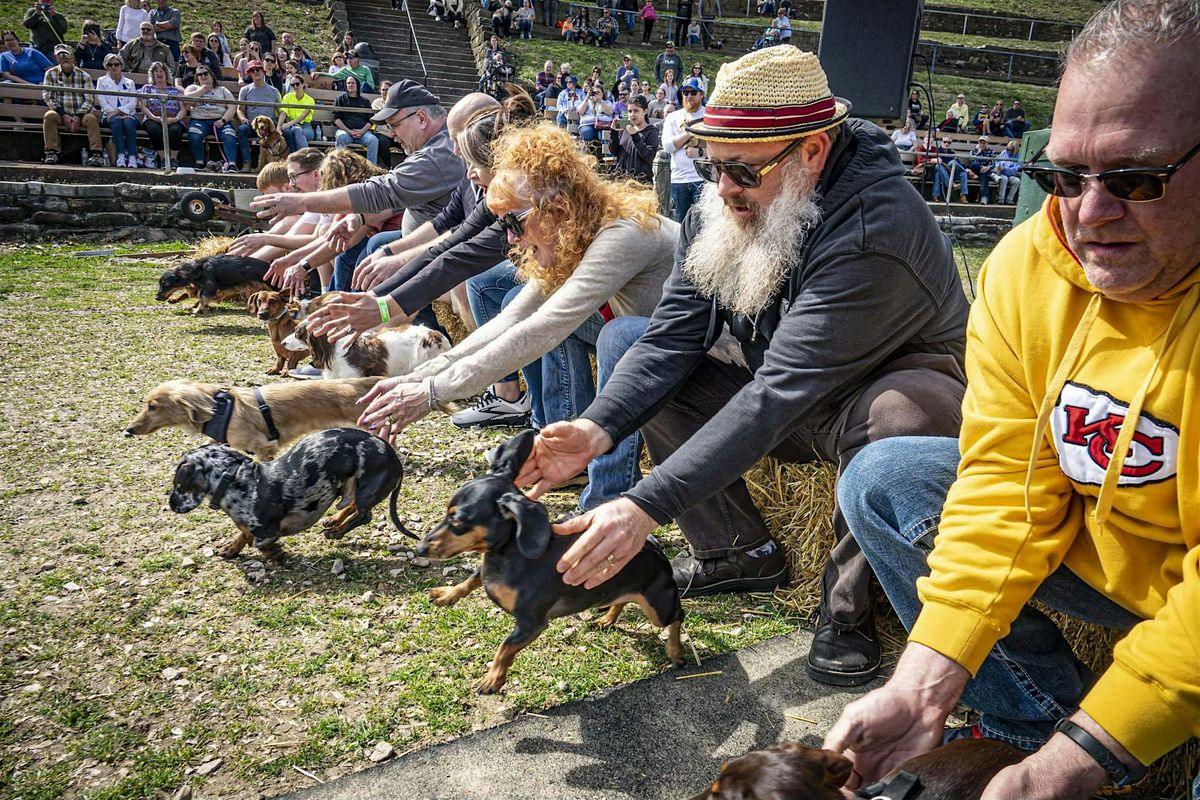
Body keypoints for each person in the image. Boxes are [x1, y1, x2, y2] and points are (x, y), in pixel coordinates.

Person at [826, 4, 1200, 798]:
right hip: (1110, 560)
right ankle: (1027, 721)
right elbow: (1005, 482)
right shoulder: (1025, 268)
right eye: (1063, 176)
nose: (1089, 214)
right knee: (886, 478)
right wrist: (923, 683)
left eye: (1137, 178)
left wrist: (1077, 767)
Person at [510, 45, 968, 688]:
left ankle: (845, 610)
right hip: (791, 393)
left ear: (812, 150)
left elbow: (781, 390)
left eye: (743, 171)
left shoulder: (875, 227)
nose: (723, 189)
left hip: (865, 402)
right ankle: (739, 551)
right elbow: (672, 337)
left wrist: (643, 505)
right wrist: (597, 427)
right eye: (711, 165)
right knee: (635, 353)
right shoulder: (724, 204)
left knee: (901, 416)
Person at [356, 123, 680, 484]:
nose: (510, 237)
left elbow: (541, 329)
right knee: (546, 316)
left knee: (613, 335)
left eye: (515, 221)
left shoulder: (622, 234)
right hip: (653, 339)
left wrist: (432, 394)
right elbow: (513, 319)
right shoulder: (576, 234)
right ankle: (562, 442)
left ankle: (609, 493)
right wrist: (418, 378)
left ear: (558, 206)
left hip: (703, 353)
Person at [252, 80, 465, 236]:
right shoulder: (436, 146)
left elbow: (382, 192)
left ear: (420, 119)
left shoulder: (439, 154)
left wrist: (303, 202)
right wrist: (361, 217)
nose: (391, 134)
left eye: (394, 125)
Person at [41, 45, 103, 165]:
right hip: (60, 113)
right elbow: (48, 96)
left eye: (66, 54)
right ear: (56, 58)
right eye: (60, 55)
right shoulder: (50, 74)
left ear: (73, 57)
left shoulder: (84, 75)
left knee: (91, 119)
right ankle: (51, 152)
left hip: (81, 113)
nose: (64, 57)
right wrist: (63, 114)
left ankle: (96, 154)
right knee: (49, 116)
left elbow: (89, 99)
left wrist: (78, 116)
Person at [661, 75, 705, 221]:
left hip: (703, 178)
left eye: (693, 92)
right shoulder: (673, 117)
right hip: (680, 179)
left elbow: (719, 147)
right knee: (681, 223)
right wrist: (689, 132)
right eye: (685, 93)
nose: (689, 96)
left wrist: (699, 152)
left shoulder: (709, 115)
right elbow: (667, 146)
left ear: (702, 94)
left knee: (702, 224)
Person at [183, 65, 237, 170]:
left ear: (211, 75)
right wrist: (203, 90)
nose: (203, 76)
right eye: (200, 74)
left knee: (229, 135)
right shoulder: (192, 88)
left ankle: (232, 164)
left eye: (205, 73)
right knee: (194, 134)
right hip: (199, 120)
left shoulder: (222, 89)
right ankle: (199, 162)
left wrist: (223, 120)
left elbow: (232, 107)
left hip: (220, 120)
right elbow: (186, 100)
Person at [235, 59, 281, 171]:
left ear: (263, 71)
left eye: (258, 69)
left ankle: (277, 166)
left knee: (286, 133)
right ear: (249, 74)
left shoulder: (274, 91)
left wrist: (281, 125)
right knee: (242, 130)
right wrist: (243, 118)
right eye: (252, 70)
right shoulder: (245, 90)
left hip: (270, 125)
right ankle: (247, 163)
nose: (255, 72)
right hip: (253, 124)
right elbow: (240, 110)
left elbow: (280, 111)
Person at [138, 59, 184, 167]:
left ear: (166, 74)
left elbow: (182, 109)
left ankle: (173, 158)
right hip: (153, 118)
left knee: (175, 130)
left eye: (161, 71)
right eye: (156, 71)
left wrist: (176, 119)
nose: (159, 73)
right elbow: (143, 106)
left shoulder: (175, 91)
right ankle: (163, 158)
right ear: (152, 75)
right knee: (154, 129)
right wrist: (154, 117)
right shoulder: (147, 88)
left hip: (172, 118)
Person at [96, 53, 139, 167]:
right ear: (106, 66)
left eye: (116, 64)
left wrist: (118, 112)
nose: (113, 67)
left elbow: (133, 102)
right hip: (109, 115)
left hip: (128, 114)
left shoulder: (130, 82)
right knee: (116, 121)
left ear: (121, 65)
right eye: (110, 65)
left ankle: (132, 156)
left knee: (129, 123)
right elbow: (102, 100)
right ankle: (120, 155)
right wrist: (114, 113)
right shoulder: (101, 81)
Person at [609, 94, 658, 181]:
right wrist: (613, 132)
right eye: (630, 111)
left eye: (636, 111)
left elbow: (649, 156)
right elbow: (614, 151)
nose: (632, 114)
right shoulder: (625, 128)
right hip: (621, 180)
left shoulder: (651, 131)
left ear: (645, 111)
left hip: (641, 182)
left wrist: (636, 136)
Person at [333, 74, 380, 164]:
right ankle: (340, 166)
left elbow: (370, 120)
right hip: (346, 132)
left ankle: (371, 168)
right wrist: (349, 131)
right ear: (346, 85)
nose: (350, 85)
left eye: (353, 83)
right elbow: (336, 118)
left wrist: (361, 131)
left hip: (363, 133)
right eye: (348, 83)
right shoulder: (340, 100)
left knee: (373, 140)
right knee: (340, 137)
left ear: (357, 85)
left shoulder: (365, 101)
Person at [277, 73, 315, 152]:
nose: (295, 87)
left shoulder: (310, 100)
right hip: (291, 126)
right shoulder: (287, 97)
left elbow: (303, 116)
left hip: (306, 126)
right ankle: (305, 158)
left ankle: (302, 156)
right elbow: (283, 113)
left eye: (297, 84)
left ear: (303, 84)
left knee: (296, 131)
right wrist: (278, 126)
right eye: (292, 85)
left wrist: (288, 124)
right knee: (292, 132)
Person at [929, 134, 967, 202]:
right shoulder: (936, 151)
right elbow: (930, 160)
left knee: (963, 173)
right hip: (940, 172)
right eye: (944, 142)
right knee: (938, 169)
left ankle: (963, 196)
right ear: (941, 141)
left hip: (952, 173)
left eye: (949, 142)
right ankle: (950, 185)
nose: (946, 144)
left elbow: (959, 164)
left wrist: (966, 168)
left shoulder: (952, 153)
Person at [966, 134, 996, 204]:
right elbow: (972, 162)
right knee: (974, 165)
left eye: (984, 143)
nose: (982, 144)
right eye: (980, 142)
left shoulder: (991, 152)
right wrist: (978, 153)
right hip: (974, 172)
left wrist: (987, 167)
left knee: (984, 176)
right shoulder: (973, 151)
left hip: (985, 171)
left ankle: (984, 198)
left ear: (987, 143)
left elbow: (993, 163)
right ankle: (991, 175)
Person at [992, 138, 1020, 204]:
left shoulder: (1018, 156)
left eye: (1011, 150)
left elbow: (1015, 169)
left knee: (1017, 181)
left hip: (1010, 175)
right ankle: (1001, 199)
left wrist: (1004, 169)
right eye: (1008, 149)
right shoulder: (1004, 152)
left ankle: (1009, 199)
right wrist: (998, 166)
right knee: (1004, 179)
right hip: (1001, 173)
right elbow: (997, 161)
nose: (1009, 151)